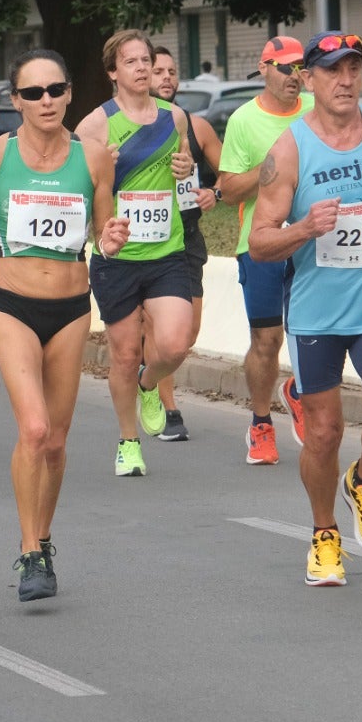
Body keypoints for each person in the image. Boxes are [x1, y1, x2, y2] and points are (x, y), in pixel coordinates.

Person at [0, 48, 128, 601]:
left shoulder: (94, 158)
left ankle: (44, 538)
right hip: (12, 304)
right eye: (34, 93)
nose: (48, 101)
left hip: (70, 305)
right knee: (35, 429)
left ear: (69, 93)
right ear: (15, 101)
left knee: (59, 439)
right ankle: (28, 550)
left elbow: (103, 223)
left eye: (57, 90)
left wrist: (111, 237)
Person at [247, 31, 362, 587]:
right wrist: (304, 229)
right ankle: (325, 533)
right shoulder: (289, 151)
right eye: (332, 71)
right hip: (316, 315)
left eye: (353, 69)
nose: (345, 80)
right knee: (323, 435)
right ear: (308, 80)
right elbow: (258, 241)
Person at [72, 29, 196, 477]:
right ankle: (128, 442)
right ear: (113, 72)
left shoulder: (175, 117)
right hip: (117, 255)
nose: (143, 68)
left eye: (147, 60)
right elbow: (77, 189)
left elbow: (182, 169)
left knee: (178, 341)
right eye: (132, 62)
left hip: (166, 248)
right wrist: (103, 166)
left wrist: (187, 167)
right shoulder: (94, 126)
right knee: (124, 353)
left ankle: (150, 383)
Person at [218, 36, 313, 464]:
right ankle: (260, 423)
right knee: (266, 338)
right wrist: (276, 164)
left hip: (313, 240)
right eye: (286, 67)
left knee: (315, 333)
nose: (295, 76)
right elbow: (229, 189)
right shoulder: (243, 120)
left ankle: (300, 391)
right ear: (265, 69)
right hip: (259, 244)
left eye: (301, 68)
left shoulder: (317, 110)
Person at [148, 45, 223, 441]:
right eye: (158, 70)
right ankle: (166, 404)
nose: (166, 78)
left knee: (186, 334)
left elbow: (229, 172)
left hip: (187, 237)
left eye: (172, 70)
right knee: (161, 330)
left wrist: (216, 193)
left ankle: (146, 380)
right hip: (146, 240)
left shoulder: (197, 128)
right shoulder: (127, 126)